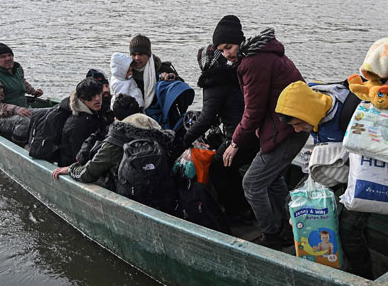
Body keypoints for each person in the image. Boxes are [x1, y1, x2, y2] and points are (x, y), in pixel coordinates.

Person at [213, 15, 308, 249]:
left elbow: (253, 110)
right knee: (273, 178)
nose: (226, 54)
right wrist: (257, 129)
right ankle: (289, 227)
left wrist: (235, 143)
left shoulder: (252, 63)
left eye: (229, 47)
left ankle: (271, 236)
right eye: (221, 50)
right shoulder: (263, 55)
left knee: (252, 184)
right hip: (293, 124)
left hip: (289, 128)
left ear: (239, 41)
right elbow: (267, 100)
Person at [275, 80, 373, 279]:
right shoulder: (313, 108)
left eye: (298, 124)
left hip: (363, 173)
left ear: (307, 112)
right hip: (334, 166)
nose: (297, 130)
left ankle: (364, 277)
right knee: (293, 204)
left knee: (349, 228)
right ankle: (325, 258)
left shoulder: (350, 111)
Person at [182, 44, 259, 222]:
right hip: (255, 134)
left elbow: (206, 118)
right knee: (229, 168)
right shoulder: (236, 75)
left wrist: (185, 139)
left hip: (239, 137)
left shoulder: (213, 82)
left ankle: (234, 212)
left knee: (217, 167)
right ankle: (245, 209)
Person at [52, 94, 144, 187]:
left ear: (115, 119)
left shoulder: (114, 143)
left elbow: (87, 174)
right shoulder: (154, 131)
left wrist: (70, 169)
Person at [0, 43, 43, 143]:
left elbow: (22, 82)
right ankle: (19, 145)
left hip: (21, 110)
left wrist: (33, 91)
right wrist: (15, 109)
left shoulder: (17, 68)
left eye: (10, 55)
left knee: (50, 113)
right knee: (25, 121)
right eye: (3, 57)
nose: (8, 59)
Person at [57, 78, 110, 167]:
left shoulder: (97, 113)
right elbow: (78, 156)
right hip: (73, 166)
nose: (97, 99)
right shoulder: (79, 123)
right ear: (82, 99)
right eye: (92, 96)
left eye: (98, 94)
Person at [128, 34, 182, 110]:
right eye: (134, 54)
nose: (136, 58)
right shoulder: (126, 72)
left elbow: (183, 91)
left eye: (140, 54)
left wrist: (174, 80)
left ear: (148, 55)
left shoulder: (163, 69)